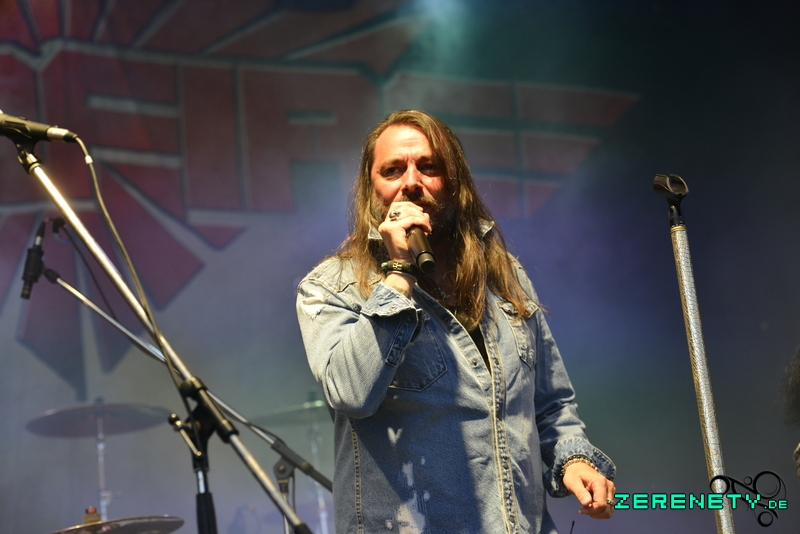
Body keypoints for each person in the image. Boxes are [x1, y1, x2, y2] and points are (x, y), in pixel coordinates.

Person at [296, 109, 616, 533]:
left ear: (455, 181)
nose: (411, 182)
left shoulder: (504, 276)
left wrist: (573, 459)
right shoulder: (333, 287)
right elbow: (351, 393)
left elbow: (551, 403)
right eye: (393, 170)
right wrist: (398, 274)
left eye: (428, 167)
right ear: (371, 191)